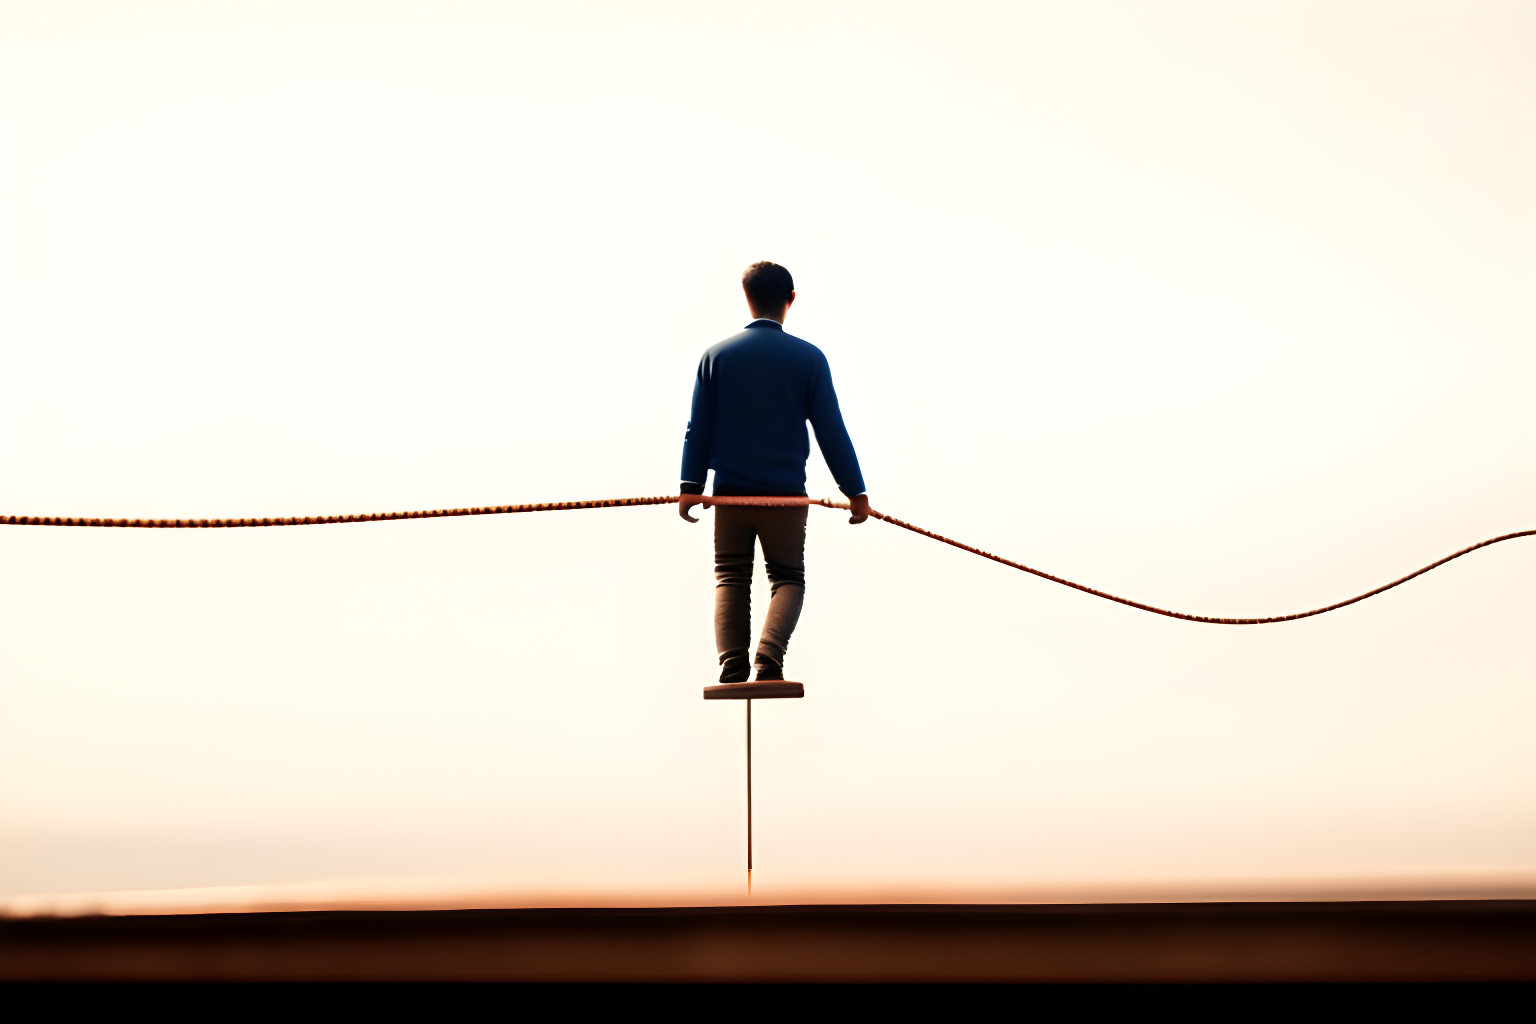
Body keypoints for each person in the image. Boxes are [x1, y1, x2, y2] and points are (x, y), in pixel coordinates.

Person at [679, 261, 871, 683]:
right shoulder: (809, 359)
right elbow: (831, 431)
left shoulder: (716, 357)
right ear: (791, 300)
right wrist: (855, 491)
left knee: (730, 576)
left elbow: (699, 427)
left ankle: (732, 662)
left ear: (746, 298)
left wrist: (690, 486)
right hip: (785, 496)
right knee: (787, 579)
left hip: (729, 494)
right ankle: (769, 659)